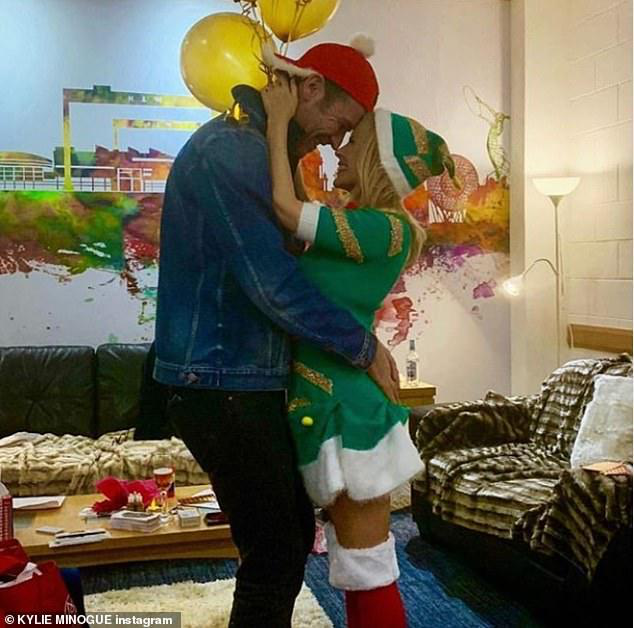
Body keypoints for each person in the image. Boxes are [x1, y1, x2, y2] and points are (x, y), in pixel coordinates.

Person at [153, 40, 400, 627]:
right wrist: (363, 348)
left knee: (284, 540)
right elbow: (273, 284)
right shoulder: (230, 151)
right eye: (340, 123)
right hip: (222, 384)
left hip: (238, 381)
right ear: (310, 88)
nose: (336, 142)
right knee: (276, 552)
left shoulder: (260, 149)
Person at [261, 72, 456, 628]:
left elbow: (284, 208)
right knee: (355, 563)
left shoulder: (385, 228)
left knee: (367, 565)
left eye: (353, 142)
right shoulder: (364, 222)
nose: (339, 149)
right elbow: (299, 220)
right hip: (331, 400)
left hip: (348, 412)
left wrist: (278, 122)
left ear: (376, 159)